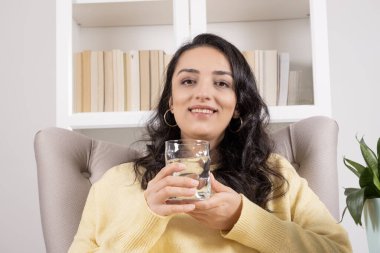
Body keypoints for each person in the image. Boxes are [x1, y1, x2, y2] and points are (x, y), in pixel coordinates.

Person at [69, 33, 352, 252]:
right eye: (189, 81)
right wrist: (147, 216)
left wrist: (243, 218)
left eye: (222, 84)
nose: (203, 93)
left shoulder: (276, 175)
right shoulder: (115, 184)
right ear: (171, 100)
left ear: (238, 106)